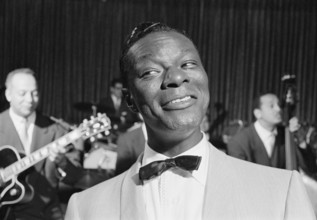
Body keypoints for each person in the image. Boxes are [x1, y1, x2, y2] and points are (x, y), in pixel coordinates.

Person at [65, 22, 315, 219]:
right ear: (130, 100)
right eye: (151, 71)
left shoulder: (282, 191)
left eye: (188, 63)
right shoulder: (84, 209)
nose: (176, 76)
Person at [0, 68, 82, 220]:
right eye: (22, 93)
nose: (30, 99)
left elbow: (76, 177)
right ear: (8, 94)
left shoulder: (56, 129)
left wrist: (63, 163)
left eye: (35, 93)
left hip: (47, 213)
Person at [227, 92, 317, 175]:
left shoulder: (287, 136)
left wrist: (301, 142)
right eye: (271, 106)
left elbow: (311, 170)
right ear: (258, 113)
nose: (279, 109)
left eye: (279, 105)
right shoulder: (238, 143)